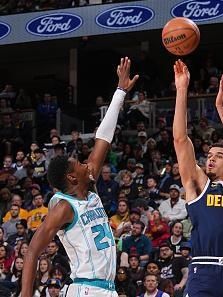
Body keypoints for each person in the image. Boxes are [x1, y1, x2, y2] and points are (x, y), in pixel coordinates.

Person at [21, 57, 139, 297]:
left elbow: (103, 138)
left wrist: (119, 93)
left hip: (106, 290)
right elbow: (32, 250)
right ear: (72, 178)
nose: (88, 164)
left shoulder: (90, 186)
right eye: (81, 164)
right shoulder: (64, 207)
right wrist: (25, 294)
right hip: (85, 289)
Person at [172, 60, 223, 297]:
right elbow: (180, 140)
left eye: (218, 156)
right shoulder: (198, 185)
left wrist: (221, 108)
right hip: (205, 270)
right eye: (208, 155)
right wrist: (181, 90)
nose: (210, 159)